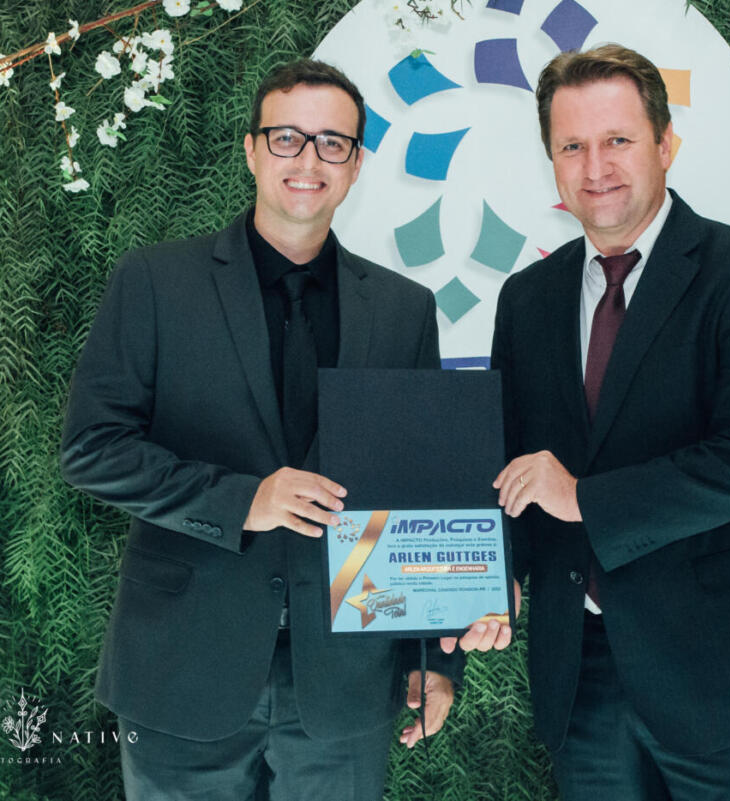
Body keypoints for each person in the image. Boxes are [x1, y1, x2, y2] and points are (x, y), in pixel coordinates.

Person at [61, 59, 460, 801]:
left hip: (346, 683)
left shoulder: (403, 309)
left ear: (356, 164)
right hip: (183, 670)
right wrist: (245, 499)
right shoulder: (154, 281)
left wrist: (436, 657)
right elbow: (93, 449)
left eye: (332, 143)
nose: (309, 159)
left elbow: (421, 489)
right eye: (287, 138)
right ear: (251, 150)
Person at [446, 44, 730, 800]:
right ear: (551, 161)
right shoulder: (527, 298)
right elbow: (513, 468)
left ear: (666, 145)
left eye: (617, 140)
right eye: (572, 146)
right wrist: (494, 575)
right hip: (582, 677)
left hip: (727, 678)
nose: (595, 167)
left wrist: (583, 498)